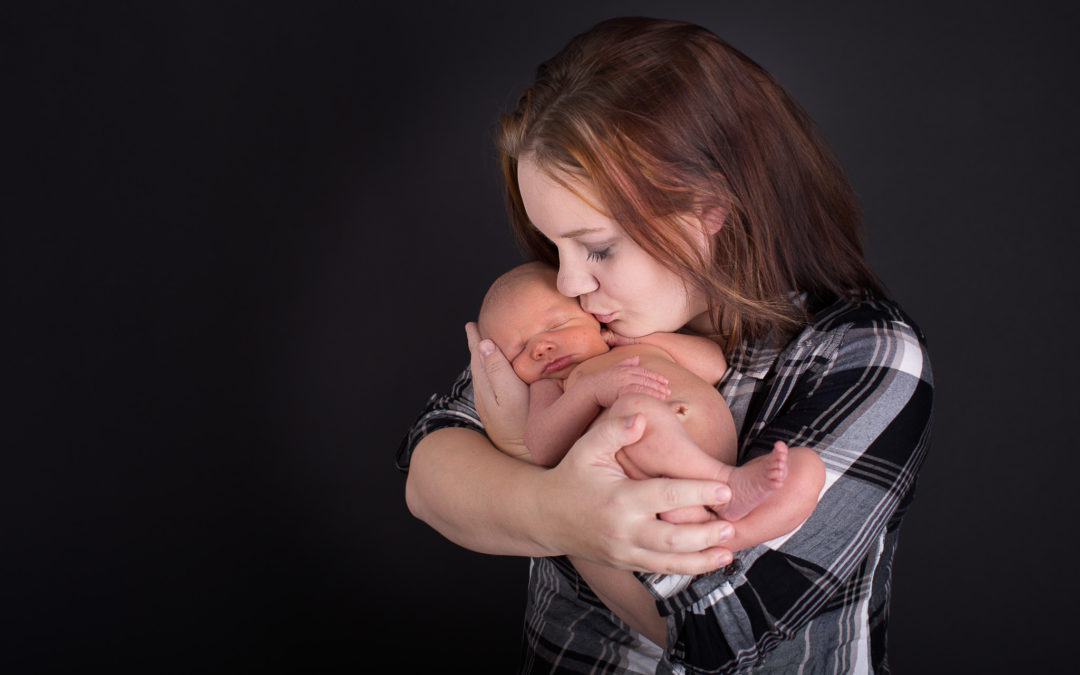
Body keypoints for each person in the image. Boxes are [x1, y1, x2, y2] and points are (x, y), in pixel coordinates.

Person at [397, 16, 932, 674]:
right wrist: (554, 495)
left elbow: (717, 627)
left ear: (708, 208)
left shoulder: (863, 355)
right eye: (555, 246)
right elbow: (430, 473)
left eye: (597, 246)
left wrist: (536, 476)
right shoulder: (572, 322)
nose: (568, 280)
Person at [476, 260, 824, 528]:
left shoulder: (643, 342)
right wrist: (591, 392)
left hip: (711, 458)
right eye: (518, 350)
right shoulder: (557, 385)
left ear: (595, 318)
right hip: (658, 480)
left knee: (807, 468)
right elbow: (541, 445)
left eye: (556, 326)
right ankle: (723, 485)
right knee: (634, 412)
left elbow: (715, 366)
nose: (541, 347)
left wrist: (647, 342)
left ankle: (732, 533)